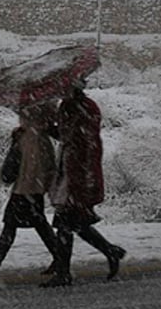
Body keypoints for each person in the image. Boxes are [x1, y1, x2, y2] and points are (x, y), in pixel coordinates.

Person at [41, 79, 126, 288]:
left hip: (78, 175)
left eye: (63, 89)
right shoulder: (78, 106)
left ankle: (64, 274)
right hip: (74, 172)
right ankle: (109, 251)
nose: (60, 93)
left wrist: (52, 127)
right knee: (75, 224)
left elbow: (75, 138)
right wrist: (51, 127)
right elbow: (67, 136)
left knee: (65, 224)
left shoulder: (79, 107)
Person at [0, 104, 63, 283]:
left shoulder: (28, 137)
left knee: (13, 226)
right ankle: (59, 259)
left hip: (25, 190)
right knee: (37, 225)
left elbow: (14, 167)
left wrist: (15, 142)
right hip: (31, 189)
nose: (20, 117)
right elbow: (48, 166)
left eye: (23, 115)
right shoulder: (40, 137)